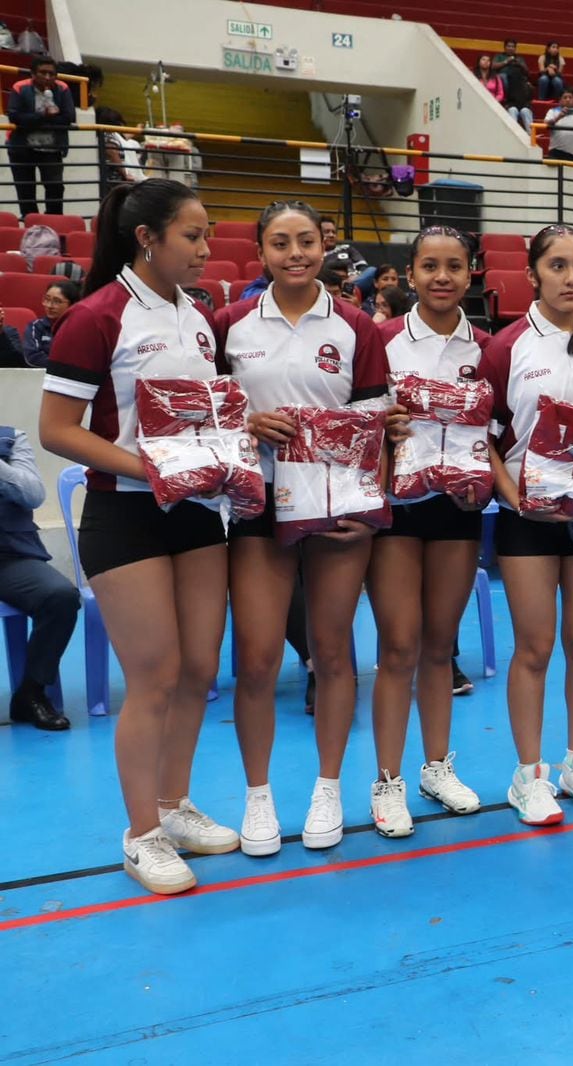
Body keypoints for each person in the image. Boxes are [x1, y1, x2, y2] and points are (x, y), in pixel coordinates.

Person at [38, 178, 237, 894]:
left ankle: (174, 806)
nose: (206, 249)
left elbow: (206, 417)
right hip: (125, 515)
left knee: (196, 670)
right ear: (147, 237)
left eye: (208, 234)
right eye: (193, 235)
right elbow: (55, 432)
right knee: (153, 676)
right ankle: (140, 834)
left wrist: (223, 459)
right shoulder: (96, 317)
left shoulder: (198, 319)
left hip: (194, 512)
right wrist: (149, 469)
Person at [215, 200, 390, 857]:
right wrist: (247, 424)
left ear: (326, 246)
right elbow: (208, 418)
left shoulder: (354, 327)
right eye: (281, 242)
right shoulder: (229, 323)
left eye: (306, 241)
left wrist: (367, 510)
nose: (295, 253)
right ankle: (258, 798)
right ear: (261, 251)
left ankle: (328, 786)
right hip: (258, 504)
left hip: (336, 504)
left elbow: (375, 428)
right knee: (258, 658)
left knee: (334, 649)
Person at [475, 224, 573, 825]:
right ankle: (529, 775)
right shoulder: (507, 345)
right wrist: (514, 497)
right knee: (536, 646)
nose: (571, 278)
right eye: (558, 266)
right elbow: (484, 435)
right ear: (533, 273)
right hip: (528, 517)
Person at [367, 227, 488, 838]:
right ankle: (387, 780)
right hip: (395, 507)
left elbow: (496, 436)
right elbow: (358, 419)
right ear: (409, 274)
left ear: (472, 274)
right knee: (398, 645)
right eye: (430, 266)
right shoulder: (381, 340)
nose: (442, 277)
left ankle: (436, 767)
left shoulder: (486, 349)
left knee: (441, 644)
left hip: (458, 508)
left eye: (455, 266)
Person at [0, 424, 77, 731]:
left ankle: (31, 693)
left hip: (10, 556)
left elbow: (33, 494)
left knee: (60, 596)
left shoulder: (11, 438)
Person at [6, 56, 74, 217]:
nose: (48, 77)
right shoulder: (20, 87)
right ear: (33, 74)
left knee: (55, 187)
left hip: (51, 148)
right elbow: (15, 117)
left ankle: (53, 222)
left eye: (52, 73)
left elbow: (69, 117)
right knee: (26, 190)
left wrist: (33, 120)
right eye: (43, 73)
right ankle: (31, 224)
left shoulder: (62, 88)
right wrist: (44, 115)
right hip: (22, 149)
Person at [478, 54, 532, 133]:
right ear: (478, 62)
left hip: (493, 103)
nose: (486, 62)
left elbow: (500, 93)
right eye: (483, 59)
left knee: (523, 110)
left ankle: (527, 135)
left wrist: (494, 101)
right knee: (513, 109)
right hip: (478, 100)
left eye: (488, 60)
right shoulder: (473, 75)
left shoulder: (495, 77)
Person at [543, 91, 573, 162]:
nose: (568, 100)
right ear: (560, 100)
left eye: (570, 97)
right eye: (565, 97)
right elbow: (546, 123)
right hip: (556, 152)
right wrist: (558, 117)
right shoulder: (552, 111)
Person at [492, 41, 533, 119]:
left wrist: (519, 64)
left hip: (517, 80)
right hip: (504, 79)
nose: (511, 48)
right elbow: (493, 66)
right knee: (503, 76)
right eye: (509, 46)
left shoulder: (519, 58)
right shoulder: (499, 56)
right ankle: (507, 98)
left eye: (513, 47)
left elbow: (527, 72)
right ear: (505, 47)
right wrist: (506, 62)